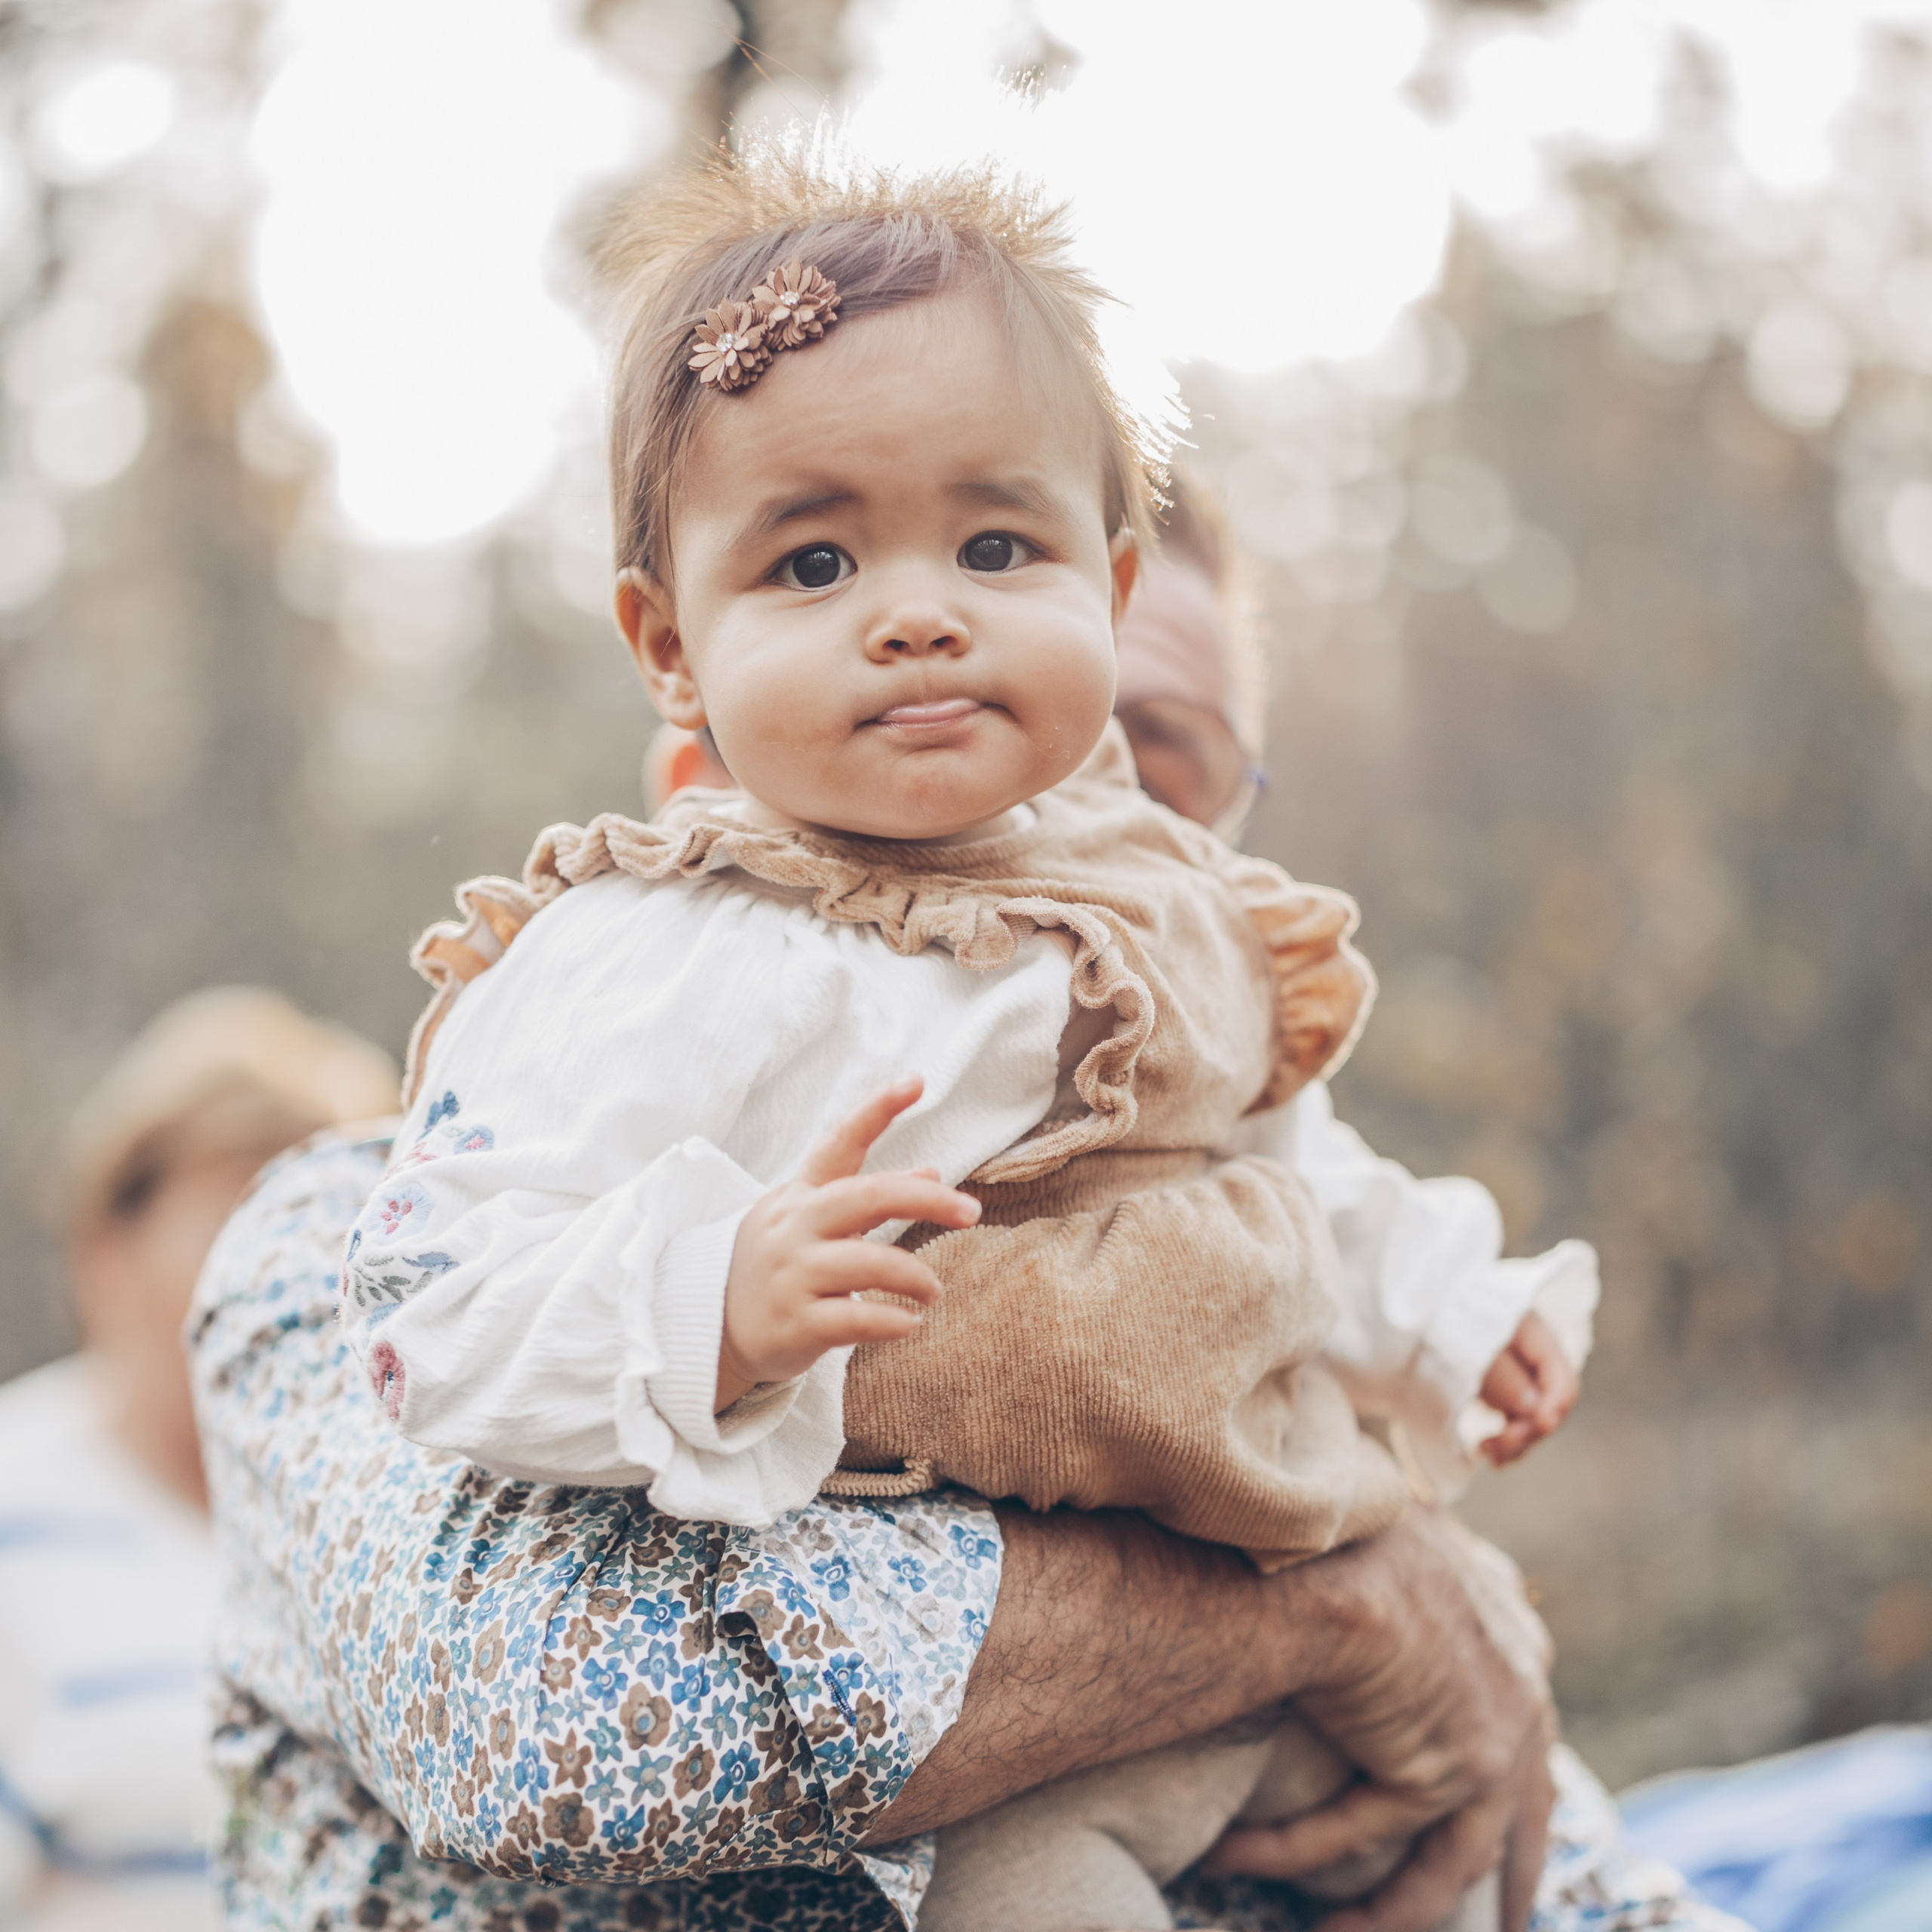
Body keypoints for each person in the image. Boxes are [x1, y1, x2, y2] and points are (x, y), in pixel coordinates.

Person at [194, 149, 1742, 1932]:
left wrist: (1457, 1319)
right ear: (674, 671)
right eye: (816, 560)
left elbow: (1301, 1189)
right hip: (1002, 1818)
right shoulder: (409, 1176)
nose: (924, 629)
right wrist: (1348, 1599)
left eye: (1000, 555)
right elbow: (527, 1721)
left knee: (1499, 1852)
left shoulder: (1157, 968)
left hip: (1263, 1745)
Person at [0, 987, 395, 1932]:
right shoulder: (16, 1515)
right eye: (241, 1224)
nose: (285, 1287)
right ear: (108, 1248)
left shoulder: (383, 1528)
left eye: (328, 1239)